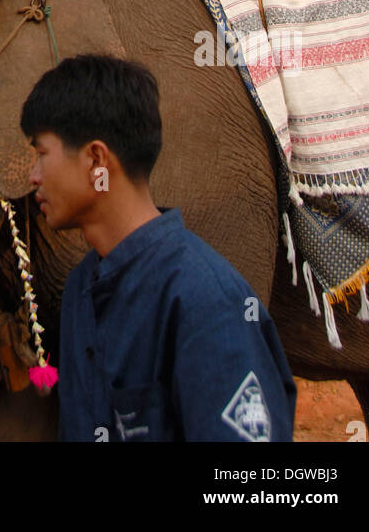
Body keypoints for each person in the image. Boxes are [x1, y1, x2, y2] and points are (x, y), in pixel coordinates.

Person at [21, 53, 297, 442]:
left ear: (96, 160)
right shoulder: (81, 290)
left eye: (41, 154)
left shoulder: (204, 300)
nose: (33, 177)